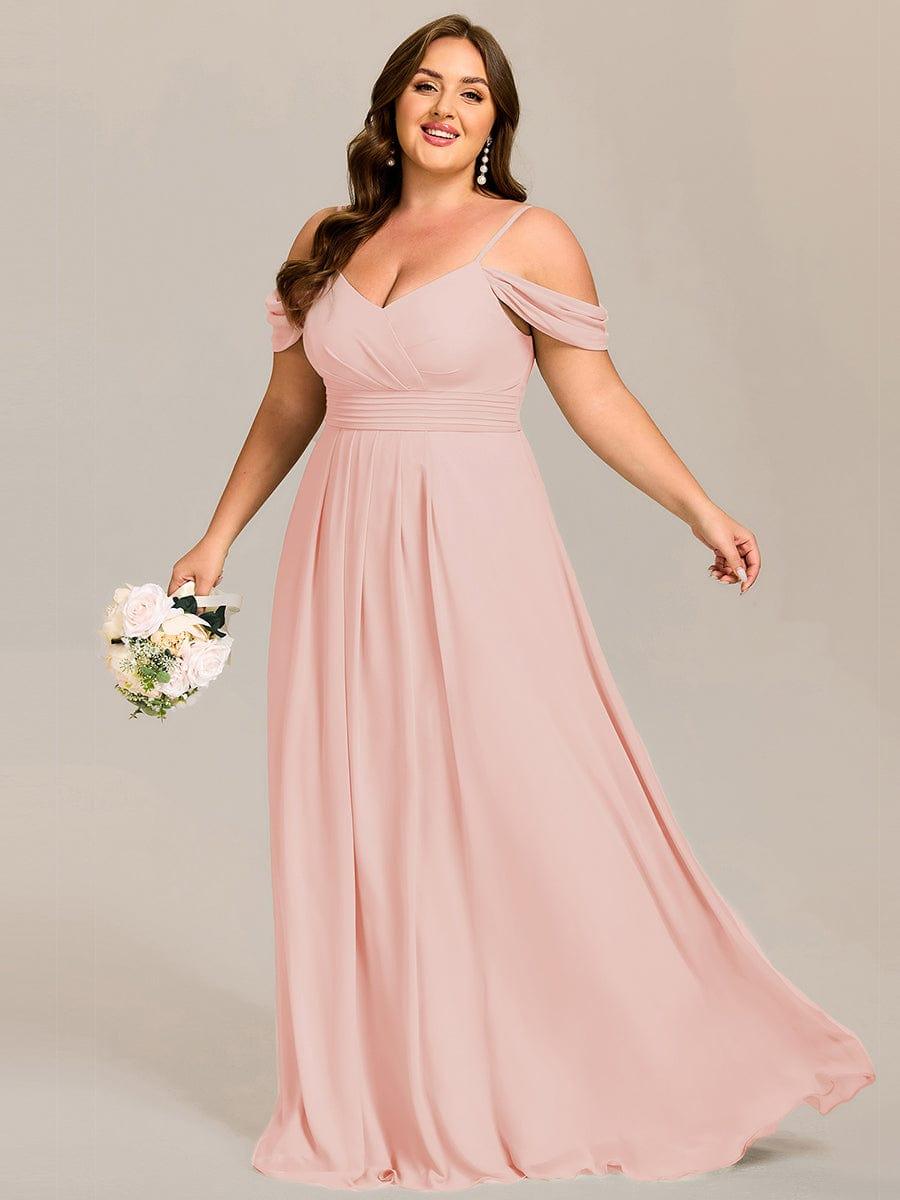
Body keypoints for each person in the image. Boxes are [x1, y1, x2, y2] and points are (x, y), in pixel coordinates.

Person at [167, 14, 875, 1189]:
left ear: (497, 122)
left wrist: (701, 509)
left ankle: (632, 1058)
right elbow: (292, 403)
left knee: (517, 801)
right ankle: (395, 1082)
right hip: (340, 556)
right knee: (368, 811)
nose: (446, 107)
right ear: (391, 104)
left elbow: (595, 395)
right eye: (426, 85)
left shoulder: (530, 238)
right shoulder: (328, 239)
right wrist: (218, 534)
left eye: (472, 93)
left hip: (475, 553)